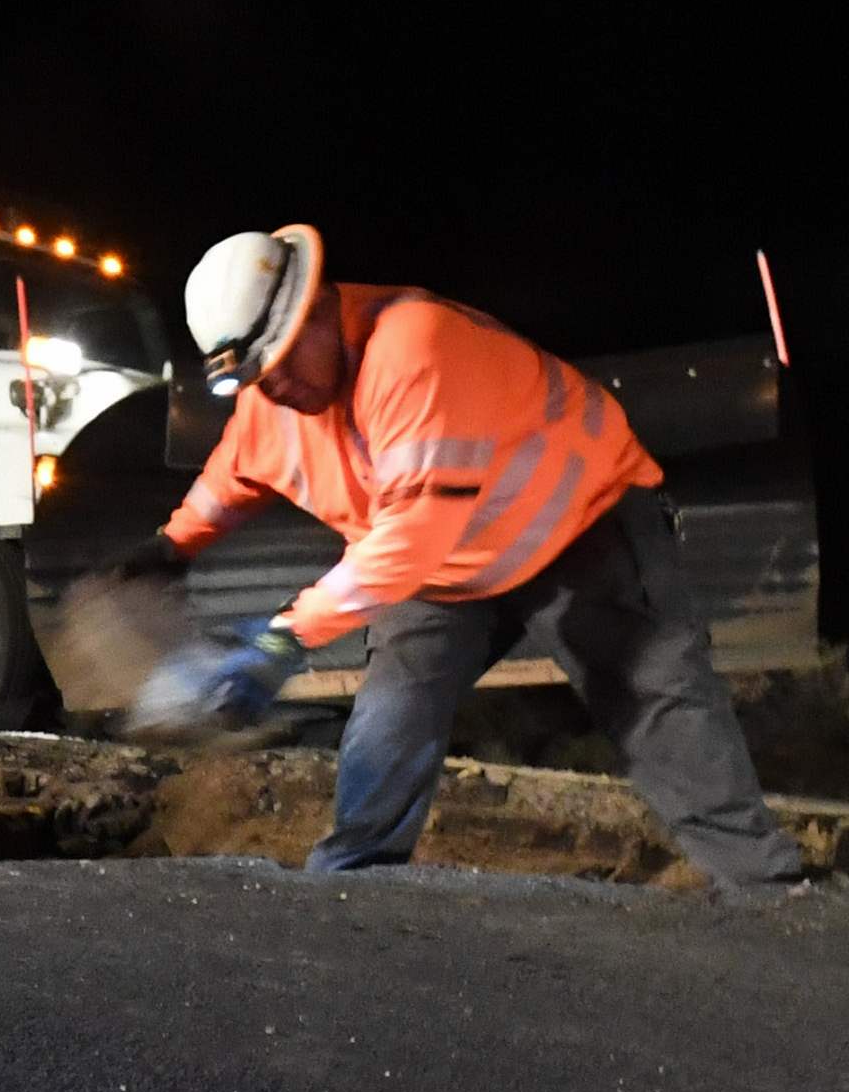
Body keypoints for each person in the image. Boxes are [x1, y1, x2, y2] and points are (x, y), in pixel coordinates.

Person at [137, 224, 804, 891]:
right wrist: (173, 546)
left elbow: (409, 535)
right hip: (446, 560)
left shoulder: (411, 345)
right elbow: (238, 471)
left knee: (654, 696)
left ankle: (765, 891)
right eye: (255, 374)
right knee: (393, 709)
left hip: (580, 521)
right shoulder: (273, 394)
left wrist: (283, 640)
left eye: (279, 360)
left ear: (317, 308)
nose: (273, 385)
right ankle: (350, 886)